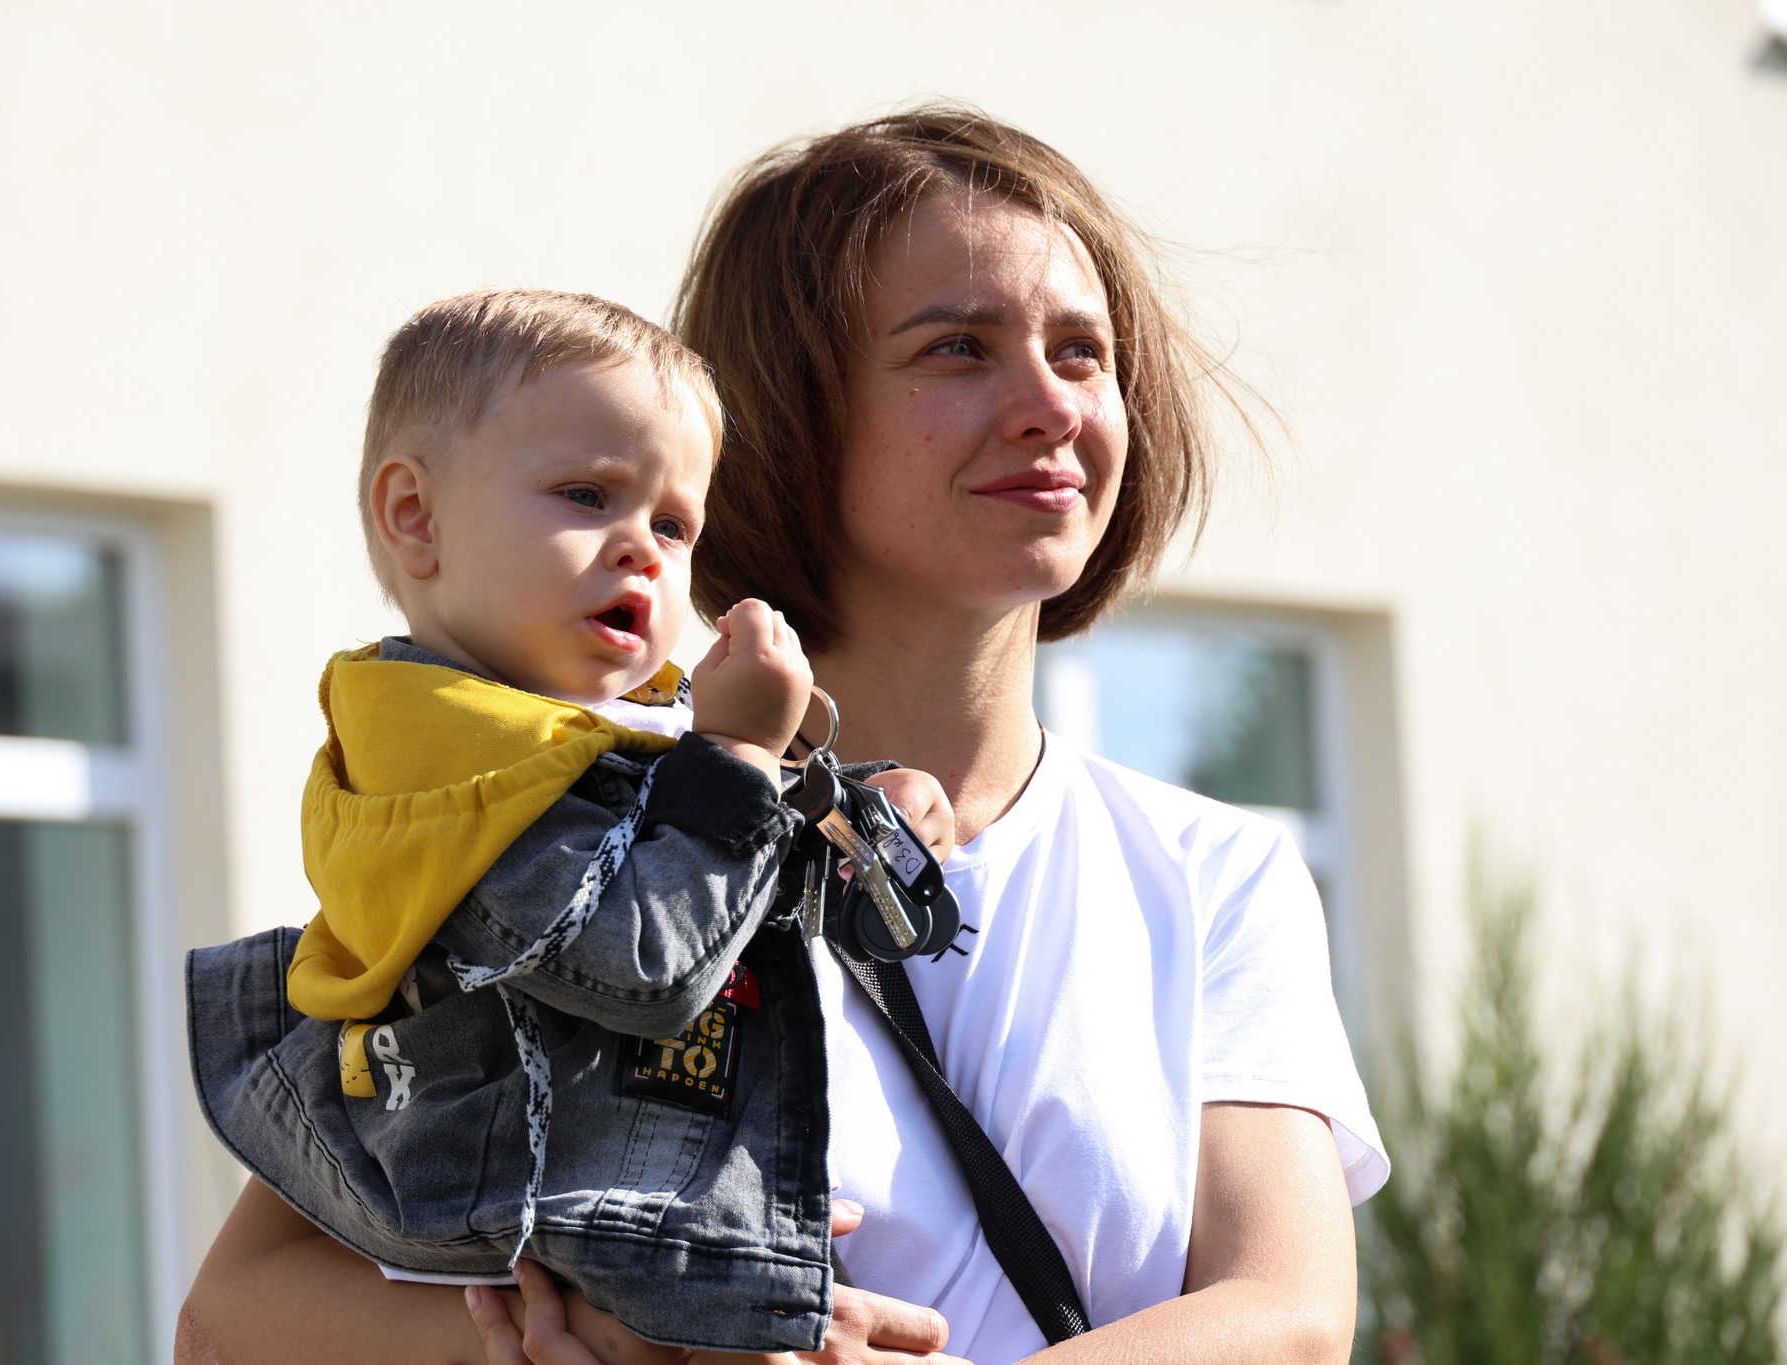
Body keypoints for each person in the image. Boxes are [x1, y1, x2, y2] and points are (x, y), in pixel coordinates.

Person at [178, 105, 1388, 1365]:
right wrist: (621, 1343)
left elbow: (1288, 1319)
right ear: (789, 411)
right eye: (957, 349)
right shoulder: (590, 822)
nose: (1048, 405)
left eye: (1081, 354)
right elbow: (233, 1318)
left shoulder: (1208, 874)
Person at [184, 287, 954, 1352]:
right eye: (587, 494)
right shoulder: (452, 767)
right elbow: (643, 963)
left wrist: (855, 814)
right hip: (566, 1217)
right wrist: (738, 754)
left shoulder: (598, 731)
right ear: (415, 516)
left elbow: (726, 880)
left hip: (641, 1197)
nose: (643, 548)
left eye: (674, 523)